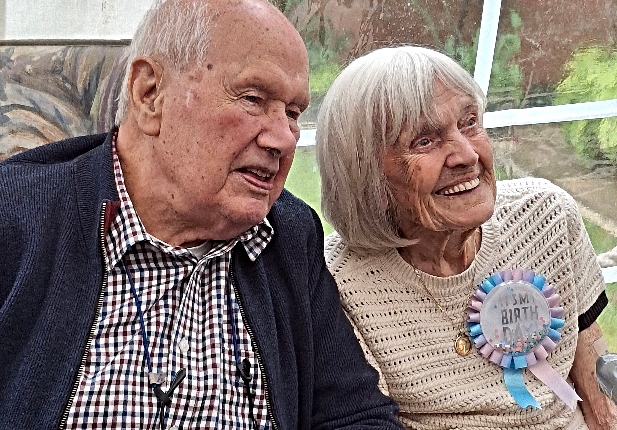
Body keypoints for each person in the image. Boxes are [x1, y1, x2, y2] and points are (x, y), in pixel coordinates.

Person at [0, 0, 403, 428]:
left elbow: (354, 414)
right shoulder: (18, 214)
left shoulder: (287, 235)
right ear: (150, 93)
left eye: (292, 113)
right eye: (253, 98)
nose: (284, 139)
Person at [316, 45, 617, 429]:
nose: (466, 154)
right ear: (363, 172)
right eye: (424, 141)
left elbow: (596, 382)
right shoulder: (335, 282)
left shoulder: (547, 216)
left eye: (469, 122)